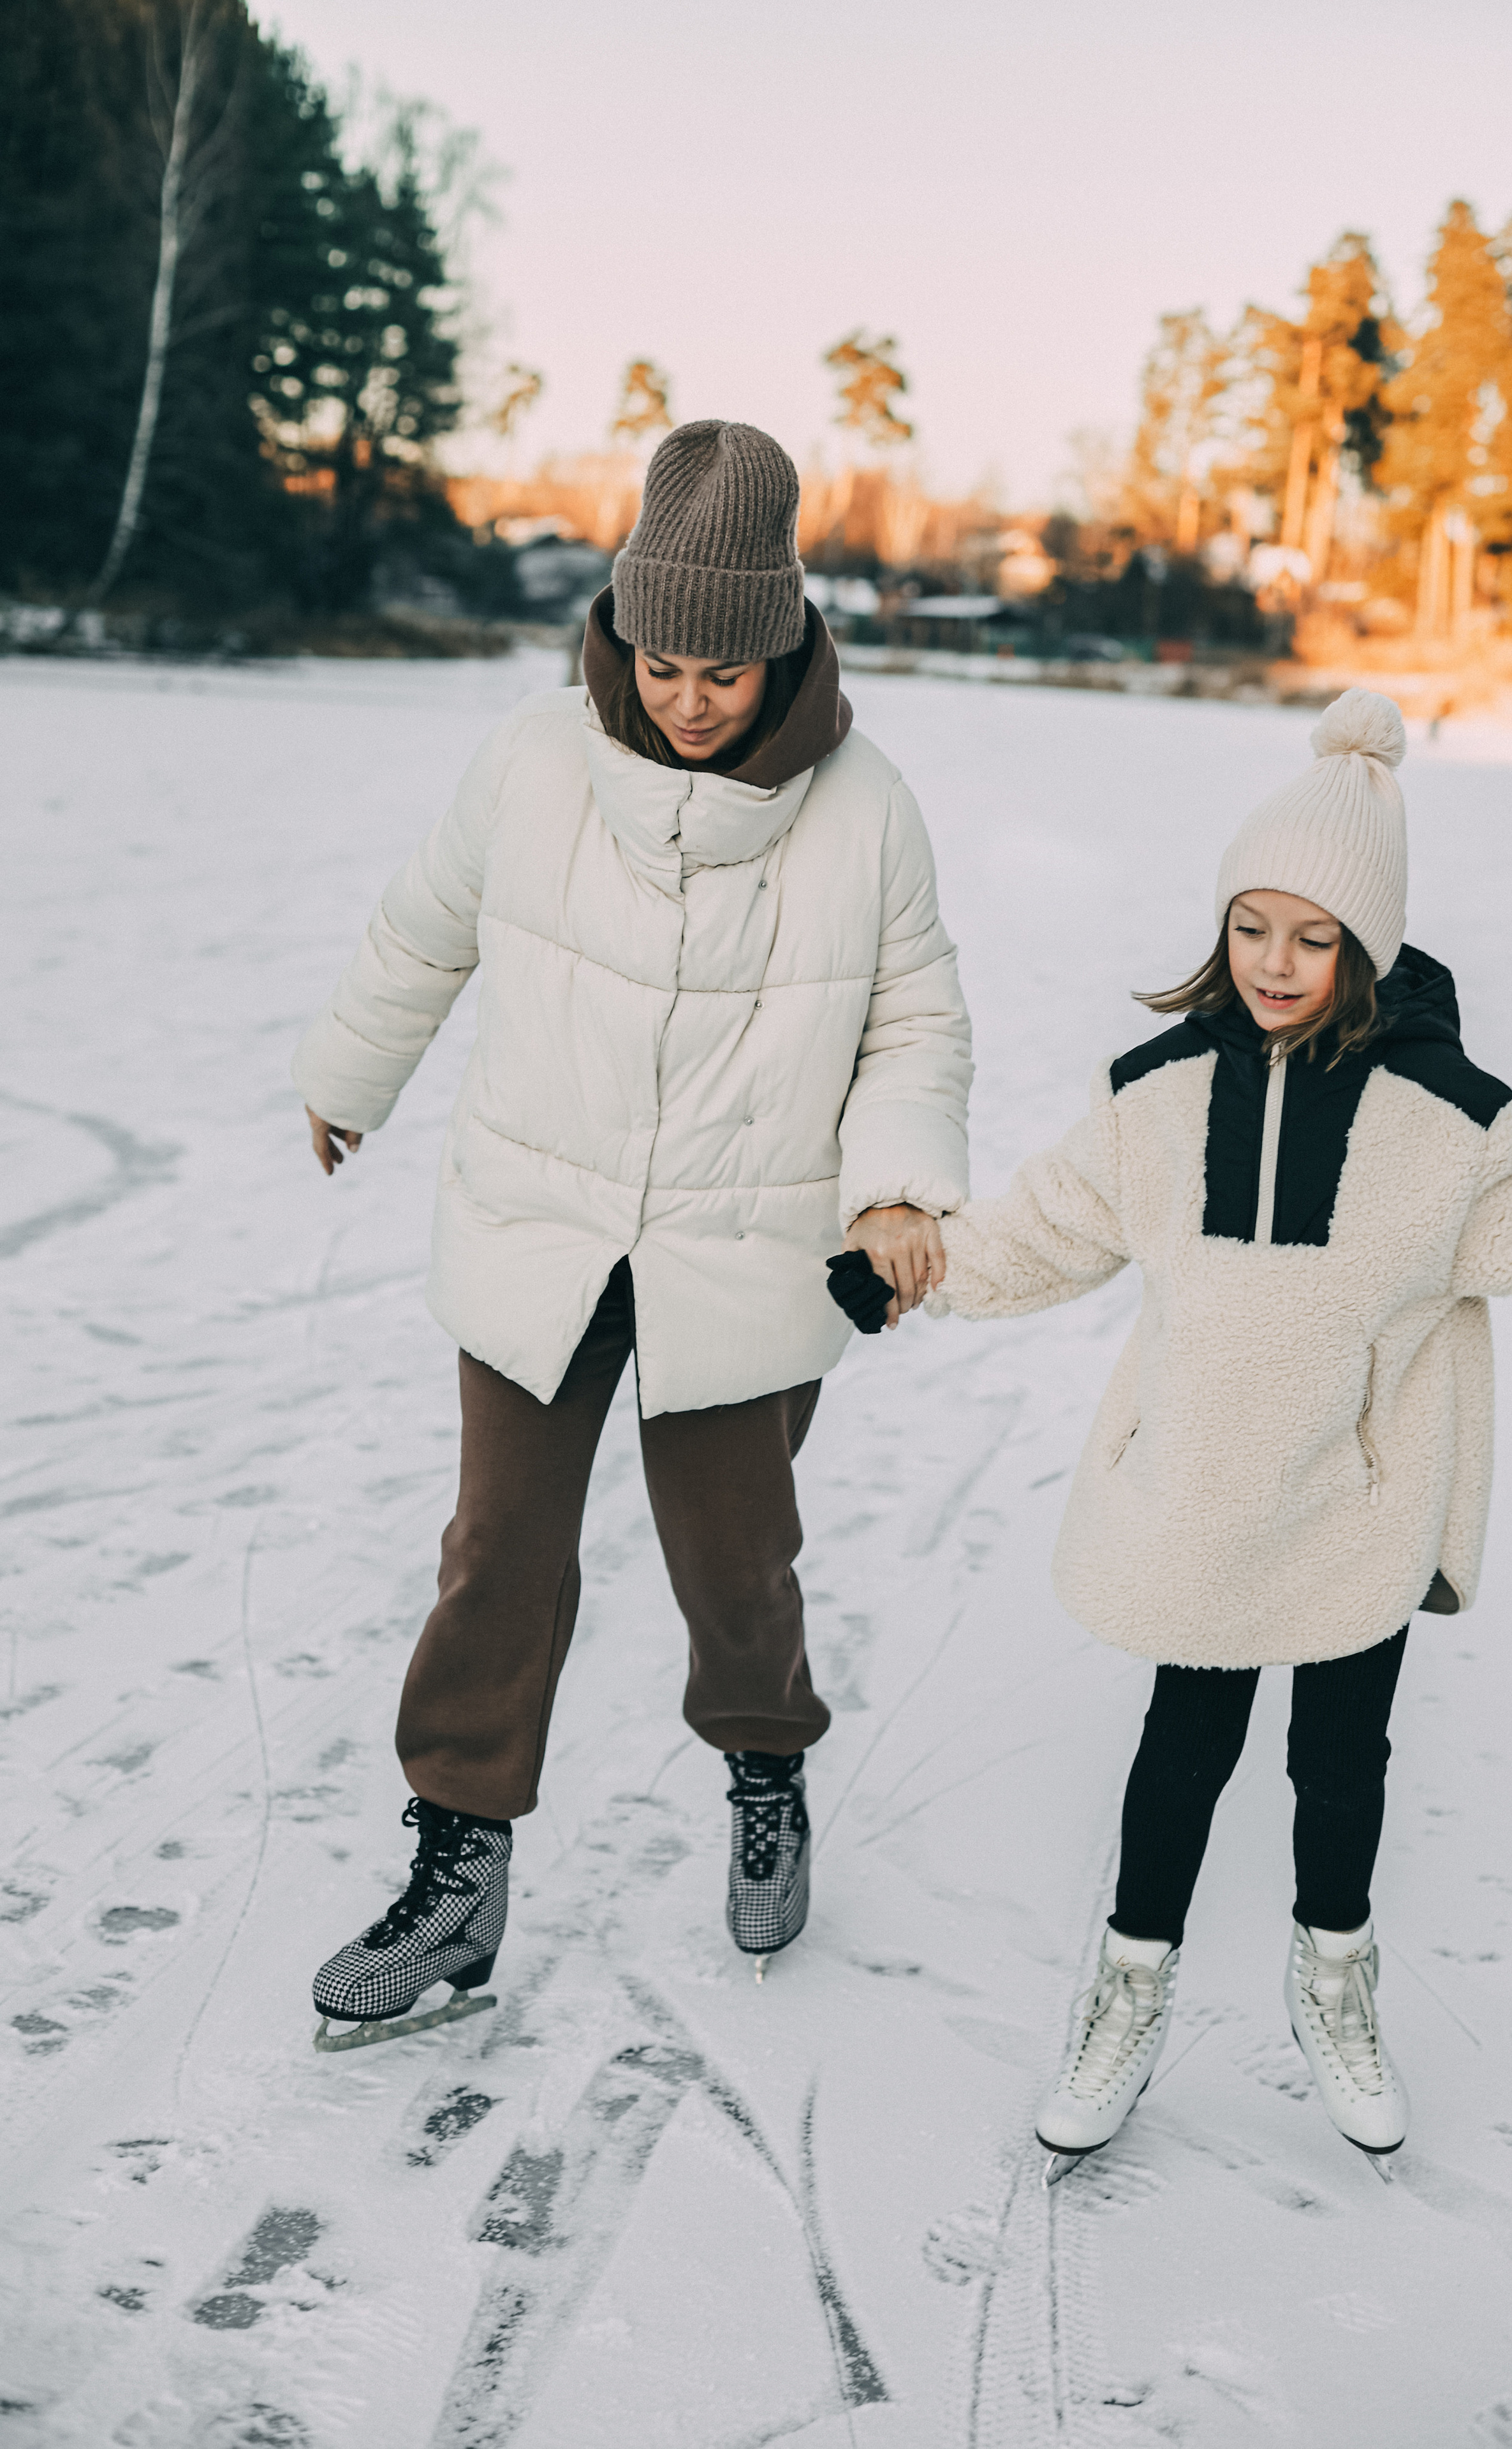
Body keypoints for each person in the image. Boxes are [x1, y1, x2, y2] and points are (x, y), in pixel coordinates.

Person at [844, 687, 1512, 2161]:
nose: (1274, 963)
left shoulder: (1452, 1130)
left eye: (1313, 936)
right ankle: (1128, 1989)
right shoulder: (1157, 1096)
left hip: (1355, 1504)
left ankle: (1333, 1977)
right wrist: (909, 1268)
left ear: (1367, 948)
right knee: (1178, 1754)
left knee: (1339, 1766)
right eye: (1251, 926)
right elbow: (1041, 1230)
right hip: (1196, 1497)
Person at [294, 421, 971, 2041]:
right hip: (541, 1223)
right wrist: (347, 1073)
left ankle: (765, 1773)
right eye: (662, 659)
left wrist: (892, 1189)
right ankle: (457, 1872)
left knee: (735, 1568)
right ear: (619, 632)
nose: (687, 696)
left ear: (785, 645)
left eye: (724, 669)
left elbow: (913, 1020)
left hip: (740, 1252)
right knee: (495, 1559)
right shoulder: (533, 760)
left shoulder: (863, 807)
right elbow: (425, 927)